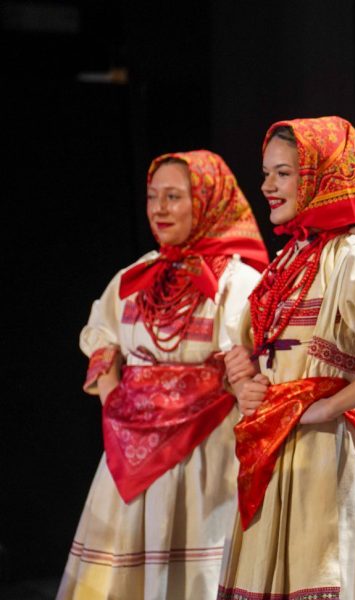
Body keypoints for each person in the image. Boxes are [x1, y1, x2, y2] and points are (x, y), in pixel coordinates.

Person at [218, 116, 355, 600]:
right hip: (276, 443)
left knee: (328, 564)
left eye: (284, 173)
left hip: (330, 449)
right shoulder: (288, 260)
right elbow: (248, 344)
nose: (268, 186)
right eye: (266, 174)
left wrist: (330, 405)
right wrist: (246, 382)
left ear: (324, 178)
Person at [58, 150, 268, 599]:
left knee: (197, 568)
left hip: (205, 450)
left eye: (173, 196)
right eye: (153, 196)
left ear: (207, 201)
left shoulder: (235, 282)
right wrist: (116, 404)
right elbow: (102, 337)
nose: (159, 208)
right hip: (131, 452)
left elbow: (252, 363)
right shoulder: (135, 276)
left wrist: (239, 375)